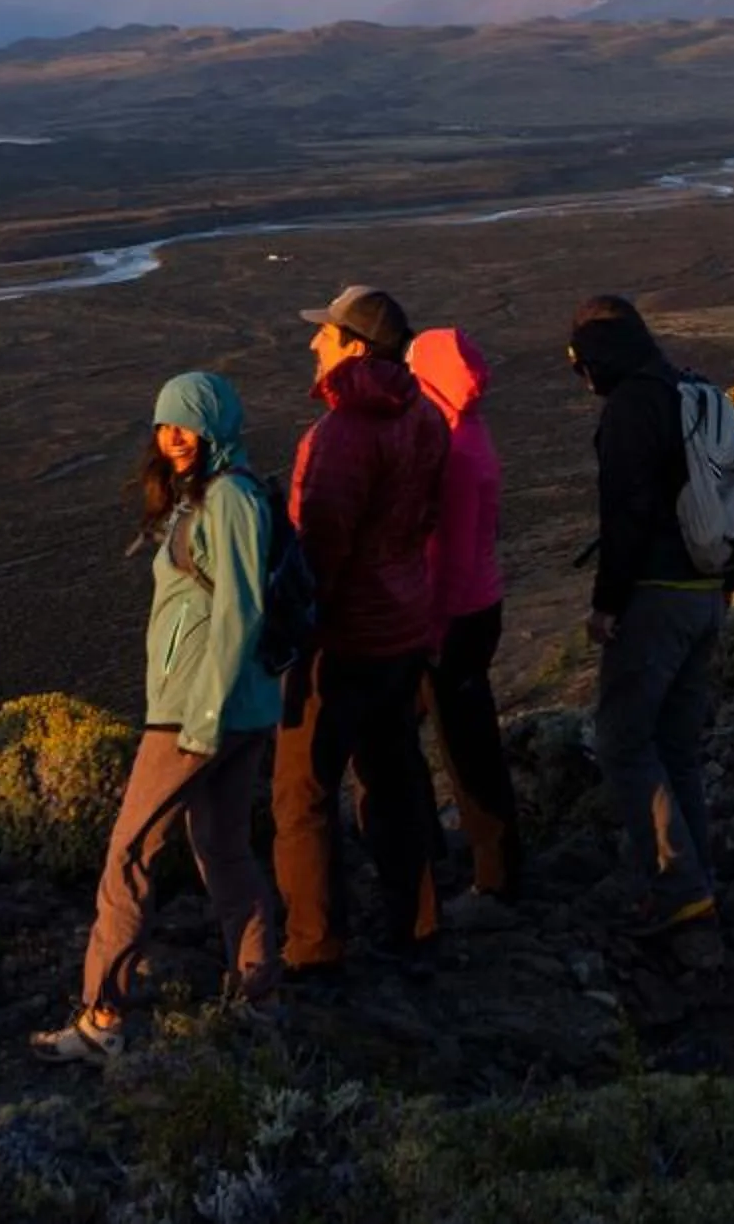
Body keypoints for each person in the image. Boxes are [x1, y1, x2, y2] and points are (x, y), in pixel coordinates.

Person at [34, 372, 283, 1062]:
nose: (173, 437)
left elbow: (240, 612)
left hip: (197, 713)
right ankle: (260, 999)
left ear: (215, 427)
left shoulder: (229, 499)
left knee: (129, 855)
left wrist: (201, 715)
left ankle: (102, 1018)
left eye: (186, 424)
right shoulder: (208, 495)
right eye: (164, 425)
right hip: (233, 710)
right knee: (224, 851)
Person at [274, 286, 451, 974]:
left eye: (325, 334)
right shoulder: (425, 416)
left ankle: (314, 947)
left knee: (302, 793)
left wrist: (296, 631)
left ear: (355, 345)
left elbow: (320, 550)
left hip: (343, 641)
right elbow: (424, 517)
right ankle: (419, 924)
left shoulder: (341, 435)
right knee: (394, 775)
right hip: (402, 628)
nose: (312, 343)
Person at [568, 294, 734, 934]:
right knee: (677, 746)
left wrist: (606, 605)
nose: (582, 377)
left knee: (622, 741)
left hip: (657, 595)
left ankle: (678, 888)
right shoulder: (690, 390)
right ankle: (700, 879)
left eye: (581, 363)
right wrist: (728, 584)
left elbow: (627, 515)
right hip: (706, 590)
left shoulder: (632, 408)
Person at [409, 324, 524, 902]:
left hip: (454, 619)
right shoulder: (471, 429)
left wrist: (430, 632)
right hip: (479, 607)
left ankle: (493, 876)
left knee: (465, 751)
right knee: (459, 737)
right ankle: (458, 859)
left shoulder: (452, 447)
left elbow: (448, 557)